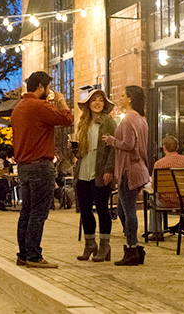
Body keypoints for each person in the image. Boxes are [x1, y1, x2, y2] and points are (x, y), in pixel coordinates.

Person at [11, 71, 73, 268]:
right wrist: (62, 101)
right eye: (48, 88)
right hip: (40, 166)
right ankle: (34, 255)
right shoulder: (38, 106)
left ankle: (23, 254)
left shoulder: (18, 108)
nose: (50, 91)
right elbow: (67, 119)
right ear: (40, 87)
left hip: (23, 167)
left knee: (26, 211)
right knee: (38, 212)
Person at [103, 85, 149, 266]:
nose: (120, 98)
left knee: (129, 211)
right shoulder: (141, 119)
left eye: (123, 96)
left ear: (130, 98)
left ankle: (132, 247)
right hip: (138, 168)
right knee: (123, 209)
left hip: (129, 170)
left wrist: (112, 141)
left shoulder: (129, 120)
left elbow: (129, 144)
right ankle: (134, 247)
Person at [73, 89, 116, 262]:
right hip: (84, 169)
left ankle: (105, 245)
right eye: (94, 100)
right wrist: (74, 149)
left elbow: (114, 148)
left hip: (100, 171)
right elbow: (80, 151)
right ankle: (90, 243)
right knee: (84, 209)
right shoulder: (83, 123)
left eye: (101, 100)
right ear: (88, 104)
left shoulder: (108, 122)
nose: (98, 103)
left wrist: (109, 169)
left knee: (102, 208)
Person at [149, 135, 184, 241]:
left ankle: (156, 232)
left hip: (164, 201)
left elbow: (154, 186)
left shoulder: (159, 164)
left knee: (151, 196)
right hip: (183, 201)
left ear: (164, 148)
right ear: (177, 147)